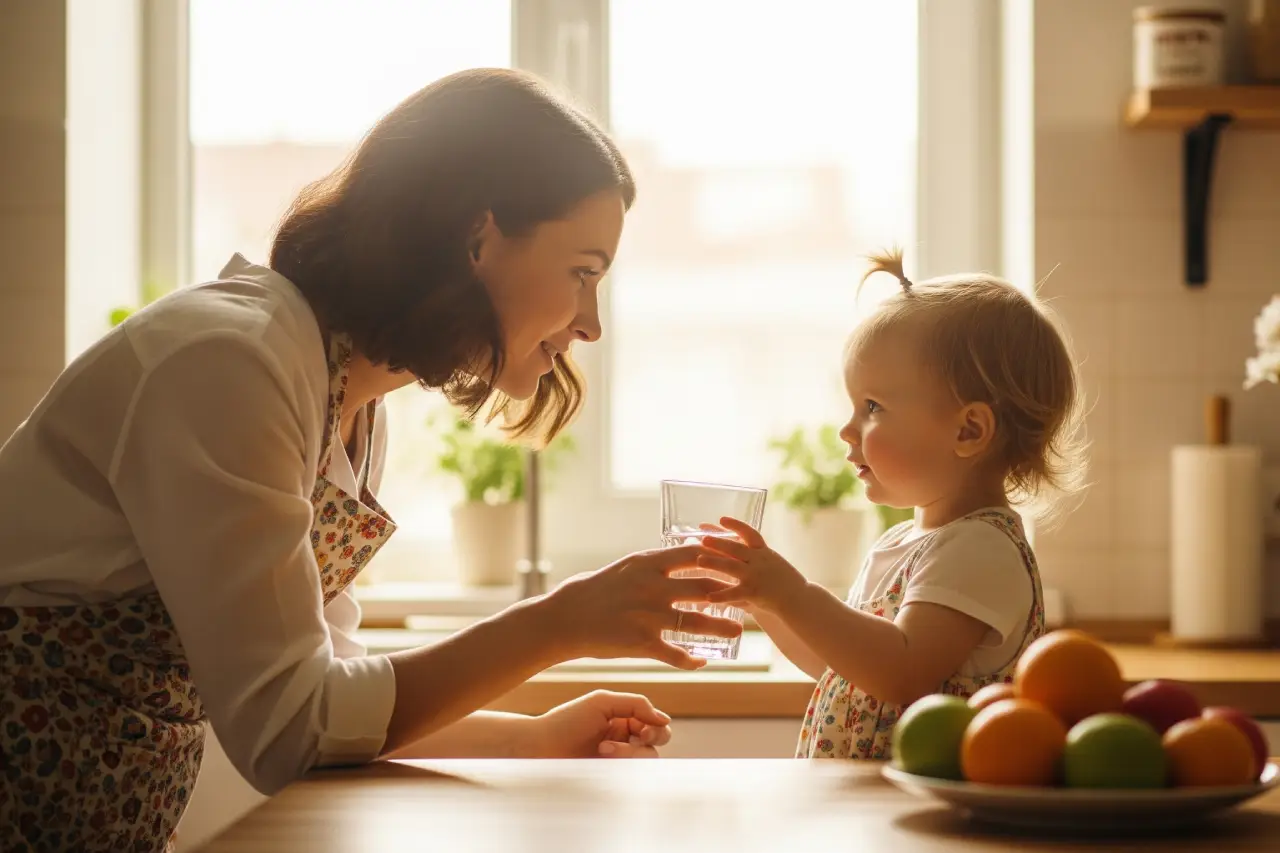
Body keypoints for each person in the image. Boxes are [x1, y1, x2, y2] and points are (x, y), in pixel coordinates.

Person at [0, 68, 741, 852]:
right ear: (478, 239)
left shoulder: (346, 397)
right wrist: (557, 624)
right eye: (582, 272)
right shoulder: (229, 362)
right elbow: (289, 727)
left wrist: (529, 736)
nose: (591, 322)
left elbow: (335, 688)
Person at [694, 248, 1086, 759]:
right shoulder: (905, 542)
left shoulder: (980, 549)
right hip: (874, 814)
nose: (846, 428)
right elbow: (843, 666)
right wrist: (765, 603)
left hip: (922, 818)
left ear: (968, 429)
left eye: (873, 407)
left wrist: (791, 592)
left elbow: (899, 671)